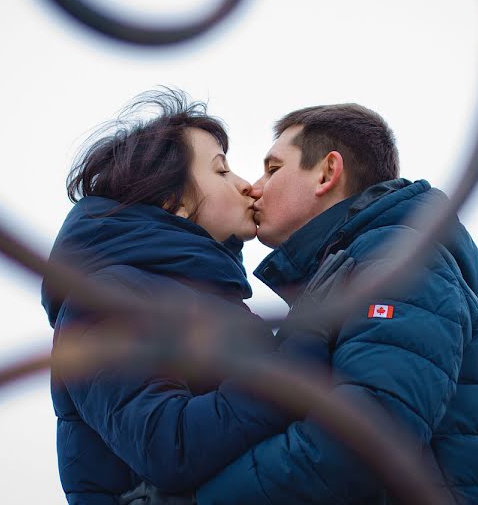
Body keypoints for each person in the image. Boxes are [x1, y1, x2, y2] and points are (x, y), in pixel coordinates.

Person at [193, 104, 478, 504]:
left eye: (274, 168)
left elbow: (362, 443)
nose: (255, 187)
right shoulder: (354, 267)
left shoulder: (395, 263)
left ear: (327, 173)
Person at [40, 89, 332, 504]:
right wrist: (299, 355)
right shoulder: (106, 297)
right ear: (173, 202)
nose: (247, 185)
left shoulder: (207, 298)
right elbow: (167, 445)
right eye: (221, 171)